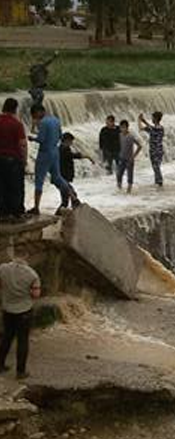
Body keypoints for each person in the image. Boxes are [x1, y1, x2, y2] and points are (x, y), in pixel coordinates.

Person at [28, 104, 80, 215]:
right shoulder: (55, 120)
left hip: (44, 154)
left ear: (38, 112)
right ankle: (74, 198)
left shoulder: (43, 123)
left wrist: (32, 139)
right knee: (58, 178)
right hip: (55, 152)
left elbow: (41, 139)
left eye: (34, 115)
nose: (35, 118)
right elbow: (60, 135)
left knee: (39, 181)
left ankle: (36, 208)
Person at [0, 251, 41, 380]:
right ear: (26, 256)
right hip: (24, 311)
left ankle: (0, 366)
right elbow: (36, 295)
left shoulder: (3, 268)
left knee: (6, 337)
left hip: (7, 309)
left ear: (13, 255)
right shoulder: (32, 274)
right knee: (22, 341)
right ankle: (20, 372)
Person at [0, 98, 28, 221]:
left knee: (1, 187)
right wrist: (24, 160)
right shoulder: (16, 124)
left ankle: (3, 213)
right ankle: (17, 213)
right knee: (15, 188)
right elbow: (22, 144)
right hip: (13, 160)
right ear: (15, 109)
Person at [58, 133, 93, 210]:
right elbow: (73, 155)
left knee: (66, 200)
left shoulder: (63, 148)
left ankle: (60, 216)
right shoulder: (63, 150)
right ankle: (62, 215)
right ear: (66, 141)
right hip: (63, 177)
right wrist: (87, 156)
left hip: (63, 177)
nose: (71, 143)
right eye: (70, 141)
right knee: (70, 197)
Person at [138, 111, 165, 187]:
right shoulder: (161, 128)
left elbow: (142, 128)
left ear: (155, 119)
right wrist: (142, 120)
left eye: (153, 118)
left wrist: (140, 120)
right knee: (156, 167)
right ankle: (158, 182)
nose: (152, 119)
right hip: (159, 150)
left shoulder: (154, 129)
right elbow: (146, 127)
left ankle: (159, 182)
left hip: (154, 151)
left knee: (156, 167)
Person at [117, 120, 143, 194]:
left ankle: (129, 191)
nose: (123, 129)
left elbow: (139, 146)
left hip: (129, 159)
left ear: (127, 127)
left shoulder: (131, 136)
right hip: (121, 158)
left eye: (124, 127)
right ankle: (119, 188)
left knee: (130, 175)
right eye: (121, 127)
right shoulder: (119, 135)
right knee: (119, 174)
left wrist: (134, 156)